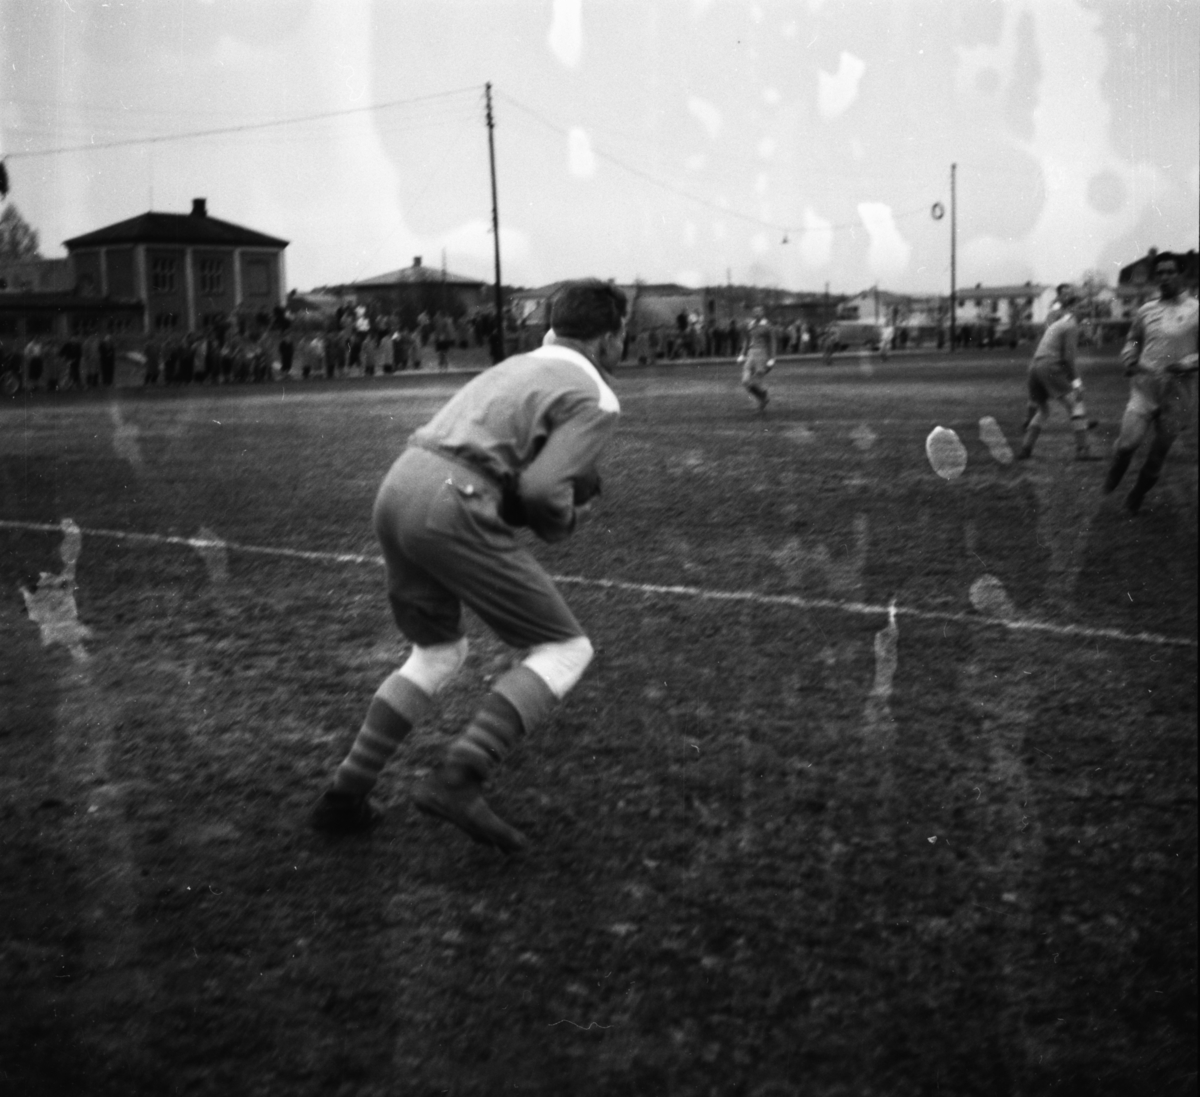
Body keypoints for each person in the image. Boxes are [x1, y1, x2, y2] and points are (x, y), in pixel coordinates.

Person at [310, 279, 628, 853]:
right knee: (565, 648)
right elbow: (538, 491)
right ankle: (461, 776)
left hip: (400, 483)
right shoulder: (598, 395)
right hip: (454, 498)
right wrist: (570, 516)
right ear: (609, 339)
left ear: (552, 329)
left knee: (437, 652)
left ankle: (344, 795)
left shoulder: (519, 363)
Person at [1103, 254, 1199, 513]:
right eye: (1161, 273)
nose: (1165, 277)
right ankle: (1114, 473)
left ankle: (1136, 495)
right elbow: (1133, 339)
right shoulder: (1146, 310)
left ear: (1182, 275)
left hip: (1178, 394)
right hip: (1144, 389)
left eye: (1170, 272)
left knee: (1157, 456)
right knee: (1126, 445)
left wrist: (1189, 363)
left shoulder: (1195, 310)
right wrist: (1130, 357)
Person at [1017, 286, 1099, 461]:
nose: (1087, 309)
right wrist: (1077, 384)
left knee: (1043, 410)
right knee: (1076, 405)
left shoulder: (1059, 323)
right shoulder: (1071, 326)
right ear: (1071, 308)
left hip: (1035, 367)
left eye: (1088, 306)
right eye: (1082, 306)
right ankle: (1083, 450)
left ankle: (1026, 449)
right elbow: (1068, 360)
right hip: (1049, 367)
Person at [738, 306, 776, 411]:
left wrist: (772, 358)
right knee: (745, 381)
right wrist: (742, 354)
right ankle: (763, 395)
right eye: (755, 312)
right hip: (751, 354)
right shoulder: (750, 325)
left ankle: (762, 400)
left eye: (759, 312)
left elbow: (772, 343)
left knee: (756, 381)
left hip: (762, 354)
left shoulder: (768, 326)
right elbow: (747, 340)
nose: (757, 314)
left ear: (763, 313)